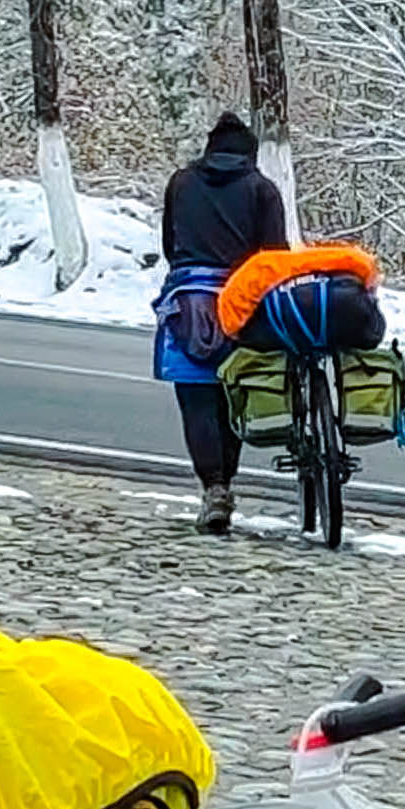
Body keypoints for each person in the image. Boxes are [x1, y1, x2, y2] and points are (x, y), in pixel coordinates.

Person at [155, 111, 291, 534]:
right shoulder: (261, 188)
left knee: (196, 399)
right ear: (249, 154)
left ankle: (213, 488)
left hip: (188, 302)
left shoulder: (180, 182)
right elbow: (274, 256)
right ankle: (224, 481)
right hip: (242, 302)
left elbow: (169, 245)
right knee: (234, 394)